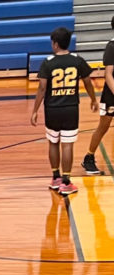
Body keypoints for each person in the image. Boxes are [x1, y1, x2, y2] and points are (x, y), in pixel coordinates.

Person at [31, 26, 97, 195]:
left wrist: (35, 110)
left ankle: (55, 178)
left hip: (52, 109)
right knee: (67, 144)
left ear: (55, 44)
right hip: (70, 109)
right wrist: (93, 99)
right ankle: (66, 182)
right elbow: (88, 82)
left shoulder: (48, 62)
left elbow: (41, 88)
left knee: (53, 142)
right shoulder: (77, 60)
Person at [82, 16, 114, 176]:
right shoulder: (112, 46)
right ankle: (88, 157)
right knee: (103, 127)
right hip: (111, 95)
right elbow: (108, 74)